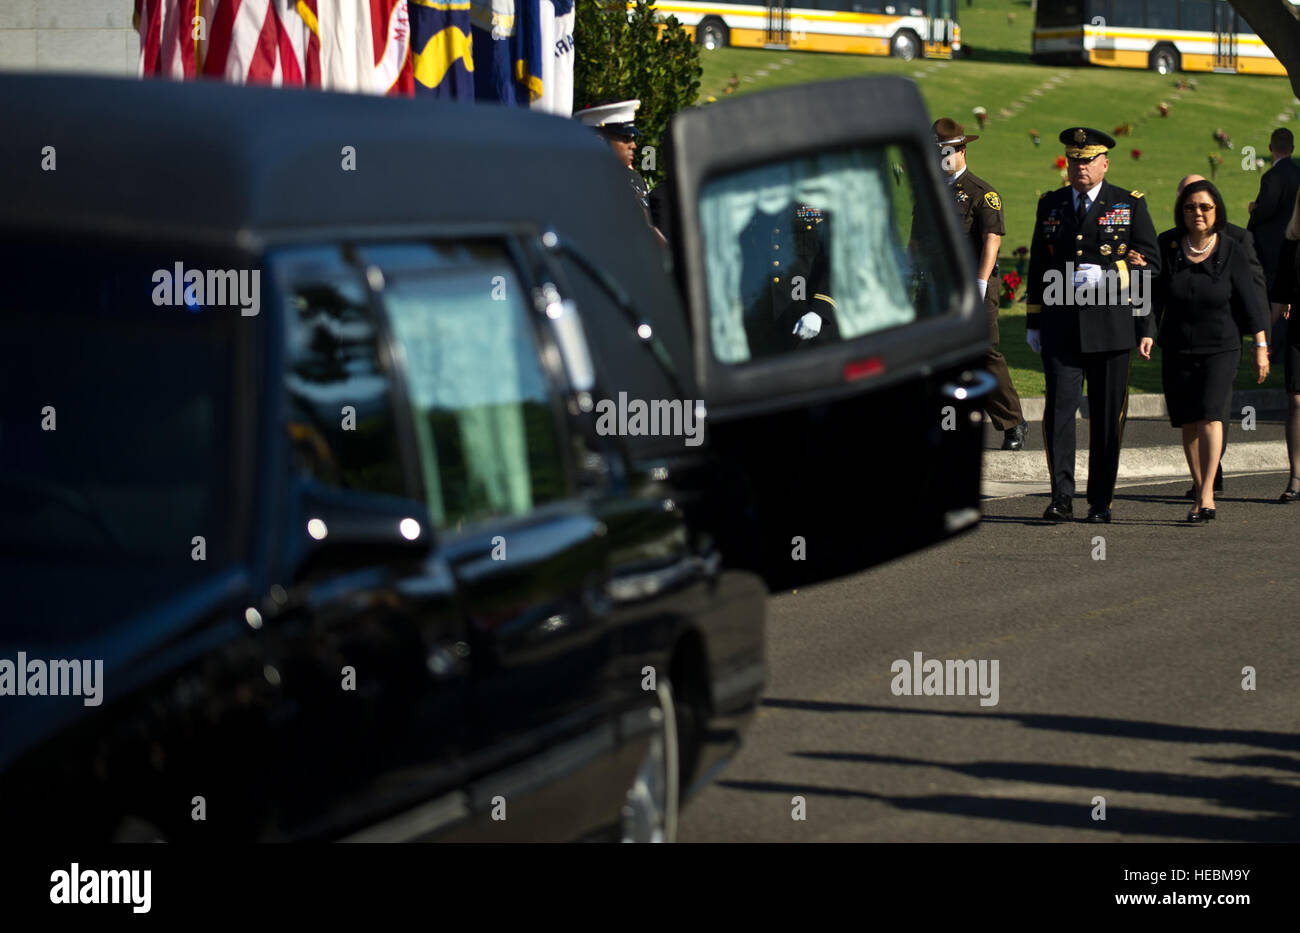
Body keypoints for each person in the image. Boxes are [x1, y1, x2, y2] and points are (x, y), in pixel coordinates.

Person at [1025, 127, 1161, 523]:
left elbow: (1150, 266)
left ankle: (1101, 501)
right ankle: (1061, 497)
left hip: (1111, 327)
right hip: (1061, 326)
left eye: (1087, 160)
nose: (1079, 167)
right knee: (1060, 414)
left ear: (1105, 163)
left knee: (1105, 419)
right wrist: (1034, 321)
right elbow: (1038, 264)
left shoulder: (1129, 204)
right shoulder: (1050, 204)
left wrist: (1117, 284)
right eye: (1073, 160)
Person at [1146, 179, 1270, 522]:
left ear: (1217, 210)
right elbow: (1155, 298)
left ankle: (1205, 496)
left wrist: (1261, 345)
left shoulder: (1232, 248)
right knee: (1188, 420)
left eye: (1205, 207)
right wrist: (1147, 333)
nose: (1197, 213)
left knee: (1211, 415)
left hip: (1221, 346)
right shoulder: (1168, 246)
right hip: (1177, 346)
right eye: (1190, 207)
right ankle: (1199, 484)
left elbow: (1251, 301)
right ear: (1180, 211)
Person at [933, 117, 1028, 450]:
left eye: (945, 152)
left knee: (983, 353)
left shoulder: (981, 193)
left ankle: (1012, 422)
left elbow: (992, 240)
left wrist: (979, 282)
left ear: (961, 150)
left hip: (974, 284)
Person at [737, 201, 840, 357]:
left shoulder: (811, 206)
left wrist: (819, 313)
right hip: (765, 333)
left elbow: (836, 263)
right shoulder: (745, 213)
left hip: (815, 332)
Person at [576, 99, 668, 245]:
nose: (634, 145)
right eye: (625, 138)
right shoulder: (580, 184)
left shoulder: (635, 180)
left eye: (632, 138)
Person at [1248, 128, 1300, 353]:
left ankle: (1272, 344)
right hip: (1294, 243)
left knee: (1274, 296)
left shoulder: (1272, 176)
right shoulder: (1298, 173)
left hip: (1271, 246)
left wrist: (1254, 210)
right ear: (1293, 149)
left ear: (1270, 149)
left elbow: (1267, 210)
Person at [1265, 187, 1300, 503]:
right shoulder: (1292, 245)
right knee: (1297, 403)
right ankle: (1296, 477)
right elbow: (1279, 297)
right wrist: (1259, 334)